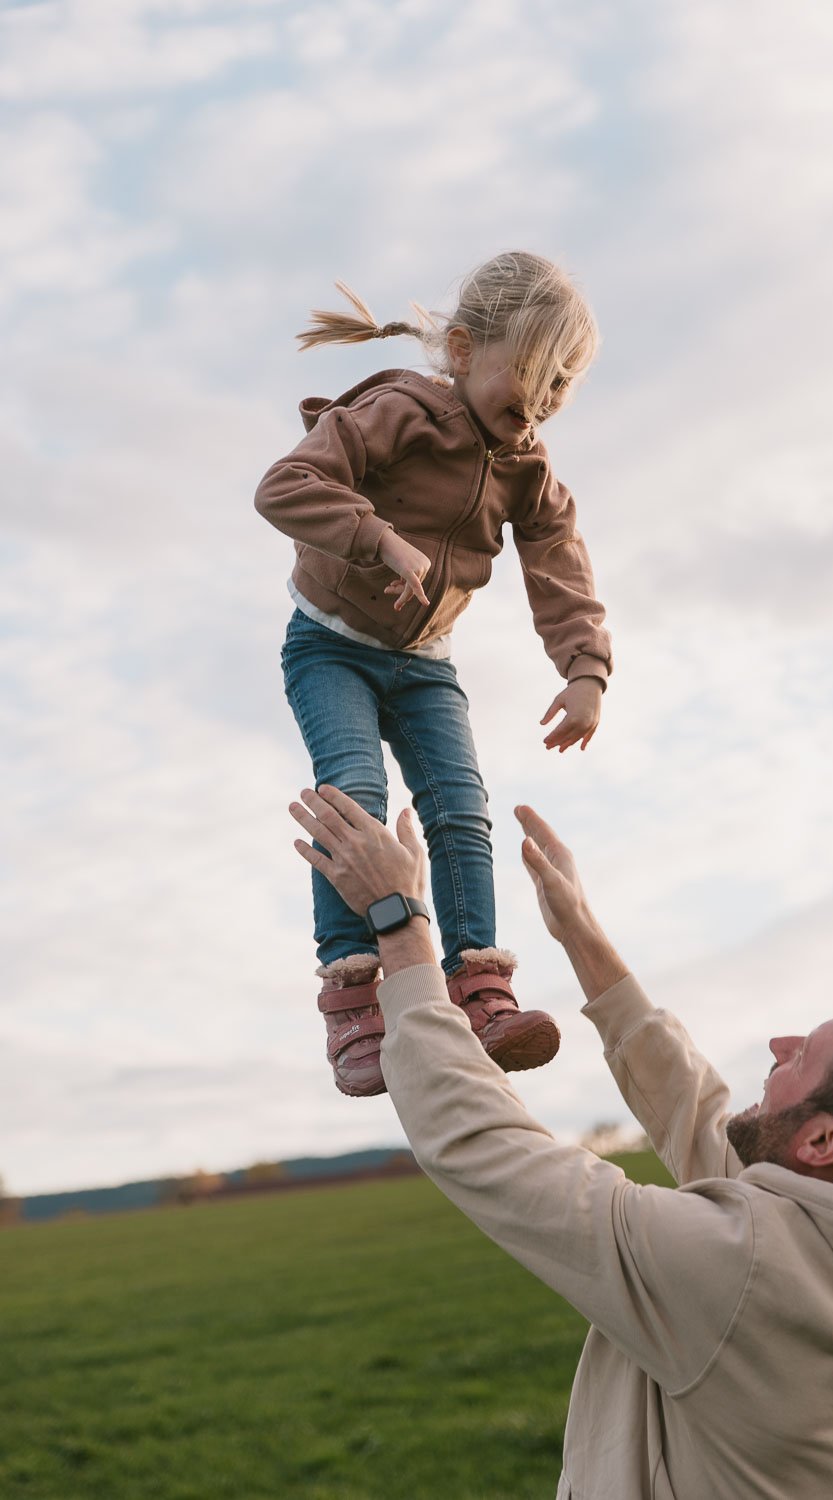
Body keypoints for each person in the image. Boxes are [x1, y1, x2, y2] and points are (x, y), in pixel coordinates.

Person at [287, 783, 833, 1500]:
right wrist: (579, 931)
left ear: (821, 1141)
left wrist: (400, 919)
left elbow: (481, 1143)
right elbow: (698, 1114)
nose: (777, 1044)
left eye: (802, 1057)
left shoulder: (742, 1273)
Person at [256, 251, 612, 1098]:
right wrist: (371, 532)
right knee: (356, 795)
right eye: (529, 374)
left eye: (562, 383)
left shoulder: (527, 467)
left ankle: (480, 989)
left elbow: (558, 560)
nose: (544, 400)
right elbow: (285, 484)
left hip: (423, 665)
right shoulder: (400, 411)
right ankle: (351, 999)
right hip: (330, 643)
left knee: (460, 808)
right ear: (461, 350)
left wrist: (585, 668)